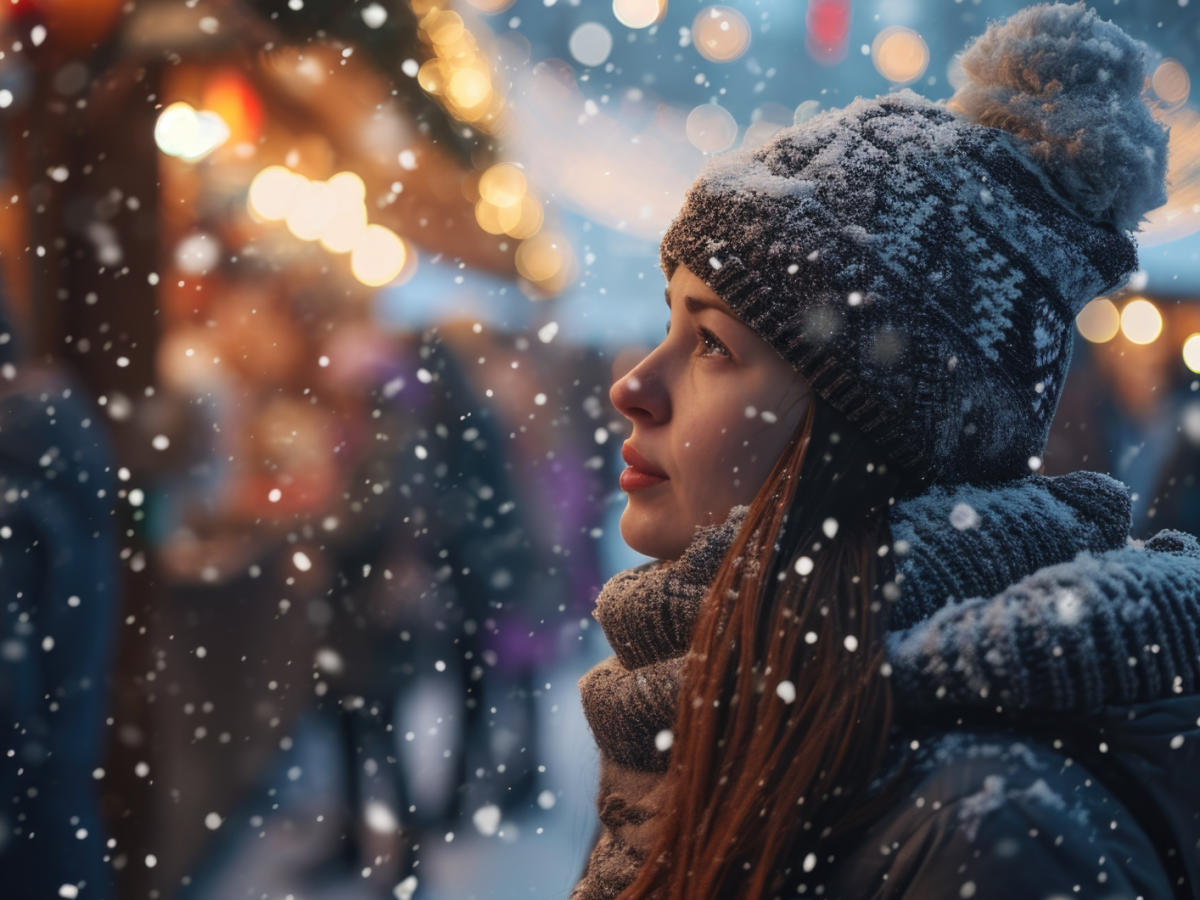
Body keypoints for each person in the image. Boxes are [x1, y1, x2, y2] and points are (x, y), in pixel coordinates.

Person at [571, 5, 1200, 900]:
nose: (631, 386)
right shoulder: (709, 711)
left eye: (712, 344)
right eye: (669, 323)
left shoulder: (984, 825)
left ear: (875, 430)